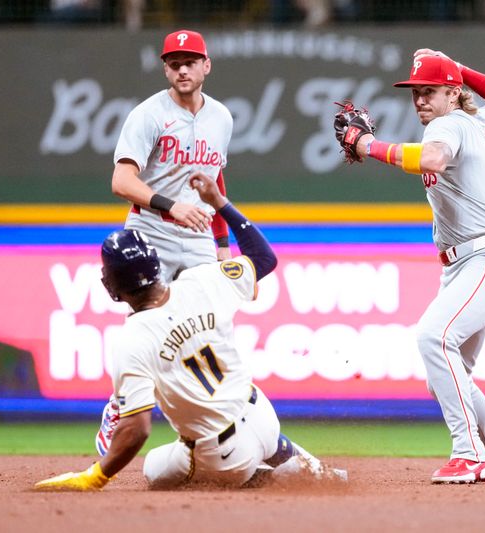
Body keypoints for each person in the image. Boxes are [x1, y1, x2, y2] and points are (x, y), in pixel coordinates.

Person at [35, 173, 346, 491]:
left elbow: (137, 429)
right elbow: (265, 258)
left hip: (224, 455)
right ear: (156, 264)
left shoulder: (132, 340)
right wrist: (219, 203)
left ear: (111, 287)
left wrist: (95, 477)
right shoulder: (204, 281)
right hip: (263, 415)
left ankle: (269, 478)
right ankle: (307, 466)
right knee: (253, 430)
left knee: (154, 469)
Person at [333, 50, 485, 484]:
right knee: (446, 368)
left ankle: (470, 454)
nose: (420, 100)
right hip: (472, 262)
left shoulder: (450, 123)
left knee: (432, 337)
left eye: (430, 92)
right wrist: (458, 66)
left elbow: (431, 159)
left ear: (453, 94)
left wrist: (365, 144)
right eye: (416, 93)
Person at [96, 29, 234, 453]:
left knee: (215, 326)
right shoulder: (147, 114)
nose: (182, 68)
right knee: (142, 326)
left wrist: (223, 241)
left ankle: (206, 423)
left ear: (206, 66)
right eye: (174, 62)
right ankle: (120, 406)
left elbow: (213, 179)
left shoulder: (222, 117)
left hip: (196, 234)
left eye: (190, 61)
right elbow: (121, 180)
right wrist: (170, 205)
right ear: (165, 68)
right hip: (149, 232)